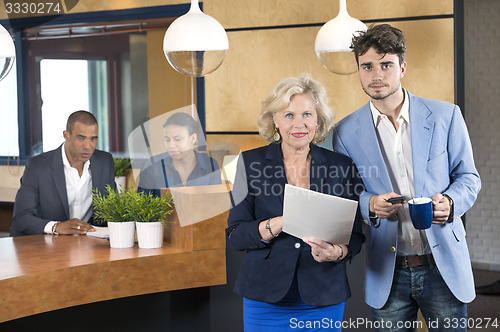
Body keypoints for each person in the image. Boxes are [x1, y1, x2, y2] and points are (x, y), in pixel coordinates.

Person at [332, 24, 481, 331]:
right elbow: (345, 194)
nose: (376, 75)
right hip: (387, 271)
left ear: (402, 67)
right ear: (358, 71)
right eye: (367, 66)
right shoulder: (345, 133)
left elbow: (468, 177)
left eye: (385, 65)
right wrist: (369, 203)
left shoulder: (446, 116)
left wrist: (451, 203)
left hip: (442, 267)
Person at [227, 74, 365, 331]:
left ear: (318, 120)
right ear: (274, 121)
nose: (298, 124)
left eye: (307, 114)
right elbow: (236, 235)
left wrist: (336, 252)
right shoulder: (250, 163)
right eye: (288, 115)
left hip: (323, 296)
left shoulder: (341, 166)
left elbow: (355, 236)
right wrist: (277, 224)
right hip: (264, 297)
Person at [10, 110, 116, 236]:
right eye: (81, 138)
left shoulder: (104, 162)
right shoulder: (37, 166)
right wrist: (56, 227)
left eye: (93, 139)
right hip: (43, 244)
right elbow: (21, 218)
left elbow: (112, 211)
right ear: (66, 135)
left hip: (88, 244)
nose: (88, 146)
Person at [137, 112, 221, 196]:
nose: (171, 145)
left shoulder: (210, 165)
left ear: (193, 138)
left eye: (177, 139)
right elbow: (141, 206)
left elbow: (217, 202)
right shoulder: (152, 165)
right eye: (167, 140)